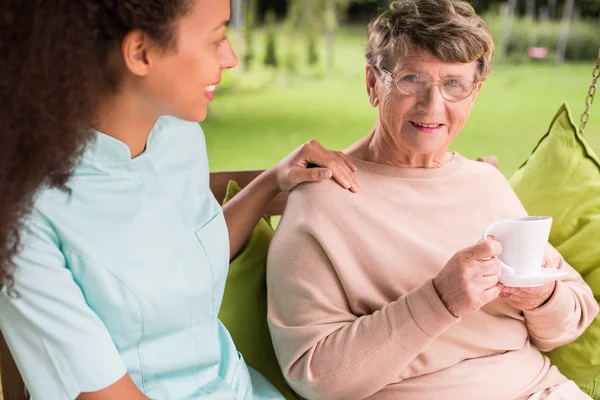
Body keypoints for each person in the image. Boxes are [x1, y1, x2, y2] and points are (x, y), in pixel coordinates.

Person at [0, 1, 363, 399]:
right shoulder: (23, 217)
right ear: (140, 53)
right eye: (217, 37)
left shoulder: (178, 135)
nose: (231, 57)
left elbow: (183, 257)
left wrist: (270, 183)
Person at [266, 1, 599, 399]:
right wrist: (439, 300)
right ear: (373, 83)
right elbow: (314, 377)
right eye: (411, 79)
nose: (432, 105)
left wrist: (542, 296)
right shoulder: (322, 204)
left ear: (474, 94)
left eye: (454, 84)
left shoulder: (486, 183)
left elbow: (572, 319)